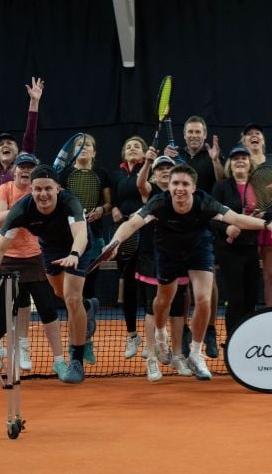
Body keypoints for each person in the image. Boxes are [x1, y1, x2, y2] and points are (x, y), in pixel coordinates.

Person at [106, 163, 272, 381]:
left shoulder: (206, 202)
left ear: (194, 187)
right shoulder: (158, 203)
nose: (180, 188)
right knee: (163, 300)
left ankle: (195, 353)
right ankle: (159, 333)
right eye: (175, 183)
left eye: (185, 184)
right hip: (168, 253)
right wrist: (114, 243)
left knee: (204, 299)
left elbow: (236, 219)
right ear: (169, 185)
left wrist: (268, 225)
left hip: (199, 252)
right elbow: (132, 225)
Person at [0, 164, 96, 384]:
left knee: (72, 298)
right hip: (51, 248)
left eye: (48, 189)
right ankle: (88, 307)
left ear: (57, 189)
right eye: (37, 189)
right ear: (31, 190)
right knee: (60, 293)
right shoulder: (22, 209)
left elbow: (81, 234)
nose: (43, 194)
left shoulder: (69, 202)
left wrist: (74, 254)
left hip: (78, 246)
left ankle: (76, 361)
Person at [0, 153, 69, 383]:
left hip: (35, 257)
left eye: (30, 167)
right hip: (5, 257)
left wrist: (35, 203)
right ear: (14, 170)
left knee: (48, 311)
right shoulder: (5, 190)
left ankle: (59, 361)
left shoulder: (41, 193)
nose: (25, 170)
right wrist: (25, 209)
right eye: (21, 166)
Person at [212, 145, 272, 335]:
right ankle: (232, 342)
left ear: (249, 163)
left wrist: (264, 214)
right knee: (236, 299)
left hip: (251, 249)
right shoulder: (221, 187)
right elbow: (211, 215)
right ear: (230, 164)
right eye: (235, 159)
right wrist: (227, 227)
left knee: (251, 298)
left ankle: (247, 341)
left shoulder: (258, 187)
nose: (240, 161)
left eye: (244, 158)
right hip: (229, 250)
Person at [135, 150, 192, 381]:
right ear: (154, 174)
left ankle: (178, 355)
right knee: (152, 308)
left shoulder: (180, 195)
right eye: (159, 169)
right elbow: (140, 183)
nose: (164, 171)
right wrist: (148, 161)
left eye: (168, 168)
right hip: (151, 258)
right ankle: (151, 358)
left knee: (178, 310)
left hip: (178, 257)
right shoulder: (151, 194)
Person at [0, 77, 44, 260]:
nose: (6, 145)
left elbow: (30, 134)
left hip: (22, 232)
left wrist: (34, 102)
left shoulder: (23, 165)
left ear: (18, 151)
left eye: (10, 143)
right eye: (1, 144)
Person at [180, 116, 224, 358]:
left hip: (208, 227)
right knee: (184, 283)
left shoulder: (213, 156)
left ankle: (210, 330)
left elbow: (222, 181)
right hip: (180, 227)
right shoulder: (176, 156)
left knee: (210, 282)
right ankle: (186, 330)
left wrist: (217, 160)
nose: (194, 135)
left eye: (198, 132)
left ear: (204, 135)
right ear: (185, 135)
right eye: (191, 132)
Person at [240, 123, 272, 308]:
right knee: (248, 278)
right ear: (244, 141)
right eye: (249, 134)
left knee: (271, 277)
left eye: (258, 133)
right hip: (250, 223)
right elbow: (240, 190)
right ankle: (247, 320)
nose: (254, 136)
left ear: (263, 140)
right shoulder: (241, 162)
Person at [59, 133, 112, 300]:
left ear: (94, 152)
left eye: (87, 144)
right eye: (79, 144)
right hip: (69, 237)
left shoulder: (102, 173)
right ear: (74, 151)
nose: (83, 147)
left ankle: (88, 321)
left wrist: (101, 210)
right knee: (71, 287)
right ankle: (74, 322)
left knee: (89, 285)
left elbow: (109, 205)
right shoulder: (65, 174)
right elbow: (58, 204)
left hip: (95, 236)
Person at [110, 135, 147, 359]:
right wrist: (114, 208)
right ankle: (132, 335)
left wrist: (141, 214)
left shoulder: (148, 170)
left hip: (146, 234)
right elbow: (113, 198)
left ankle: (153, 337)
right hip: (125, 237)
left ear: (144, 153)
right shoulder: (118, 174)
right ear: (124, 154)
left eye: (137, 146)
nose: (132, 148)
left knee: (148, 288)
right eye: (128, 146)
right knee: (129, 289)